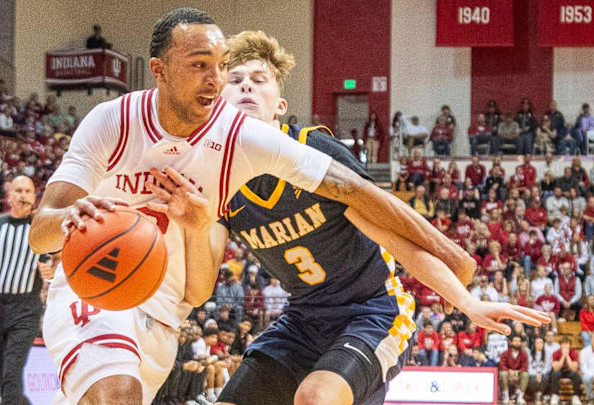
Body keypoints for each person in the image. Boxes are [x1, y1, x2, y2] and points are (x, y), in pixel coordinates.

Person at [207, 29, 548, 405]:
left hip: (373, 310)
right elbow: (199, 274)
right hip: (303, 317)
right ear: (217, 101)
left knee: (315, 396)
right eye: (235, 80)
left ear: (281, 104)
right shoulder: (216, 177)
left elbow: (390, 235)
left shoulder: (313, 150)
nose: (246, 88)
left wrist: (466, 302)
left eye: (259, 80)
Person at [0, 176, 54, 404]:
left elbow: (55, 262)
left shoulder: (41, 228)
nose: (24, 195)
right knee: (3, 376)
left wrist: (50, 270)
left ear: (34, 197)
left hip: (26, 308)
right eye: (19, 190)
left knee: (11, 372)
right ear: (9, 196)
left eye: (28, 191)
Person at [550, 336, 583, 405]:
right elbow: (556, 368)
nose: (565, 345)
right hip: (560, 371)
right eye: (563, 343)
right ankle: (555, 396)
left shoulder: (573, 352)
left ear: (570, 345)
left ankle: (575, 396)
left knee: (575, 374)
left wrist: (567, 356)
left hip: (569, 371)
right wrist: (563, 356)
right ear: (560, 345)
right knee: (555, 373)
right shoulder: (556, 353)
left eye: (567, 343)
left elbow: (573, 368)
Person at [498, 334, 528, 404]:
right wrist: (509, 371)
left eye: (519, 341)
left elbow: (525, 366)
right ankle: (506, 396)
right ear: (511, 342)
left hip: (518, 375)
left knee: (525, 374)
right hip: (508, 375)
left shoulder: (524, 354)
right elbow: (502, 365)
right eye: (515, 341)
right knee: (503, 373)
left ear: (521, 343)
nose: (517, 343)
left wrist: (518, 371)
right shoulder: (505, 353)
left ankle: (520, 397)